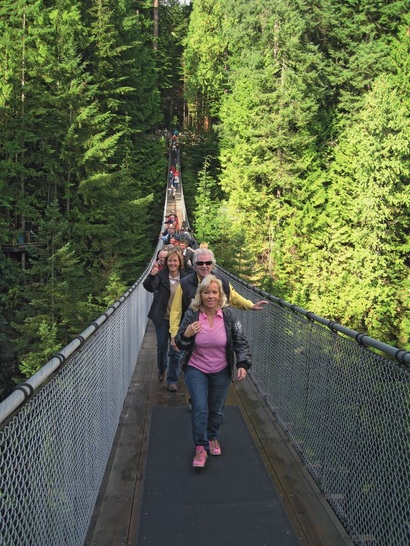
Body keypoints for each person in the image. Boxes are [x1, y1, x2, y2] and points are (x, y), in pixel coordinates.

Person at [175, 275, 252, 468]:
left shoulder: (228, 316)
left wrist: (242, 364)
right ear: (200, 295)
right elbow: (179, 342)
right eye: (206, 292)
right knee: (200, 408)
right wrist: (186, 334)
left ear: (220, 296)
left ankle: (212, 437)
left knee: (216, 410)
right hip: (196, 367)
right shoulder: (192, 314)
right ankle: (200, 447)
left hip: (221, 369)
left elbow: (240, 340)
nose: (210, 296)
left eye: (214, 292)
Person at [169, 248, 268, 350]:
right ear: (194, 265)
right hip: (190, 336)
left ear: (212, 265)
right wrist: (174, 335)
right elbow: (176, 310)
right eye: (200, 263)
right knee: (180, 362)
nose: (204, 266)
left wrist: (251, 305)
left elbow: (233, 297)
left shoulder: (221, 282)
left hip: (215, 337)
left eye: (208, 263)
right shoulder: (184, 284)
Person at [143, 248, 187, 391]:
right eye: (170, 260)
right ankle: (162, 368)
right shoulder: (161, 276)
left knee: (175, 350)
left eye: (175, 260)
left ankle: (172, 380)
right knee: (162, 347)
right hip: (162, 318)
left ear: (180, 262)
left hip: (179, 320)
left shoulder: (186, 277)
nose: (173, 263)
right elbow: (149, 287)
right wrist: (151, 275)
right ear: (166, 262)